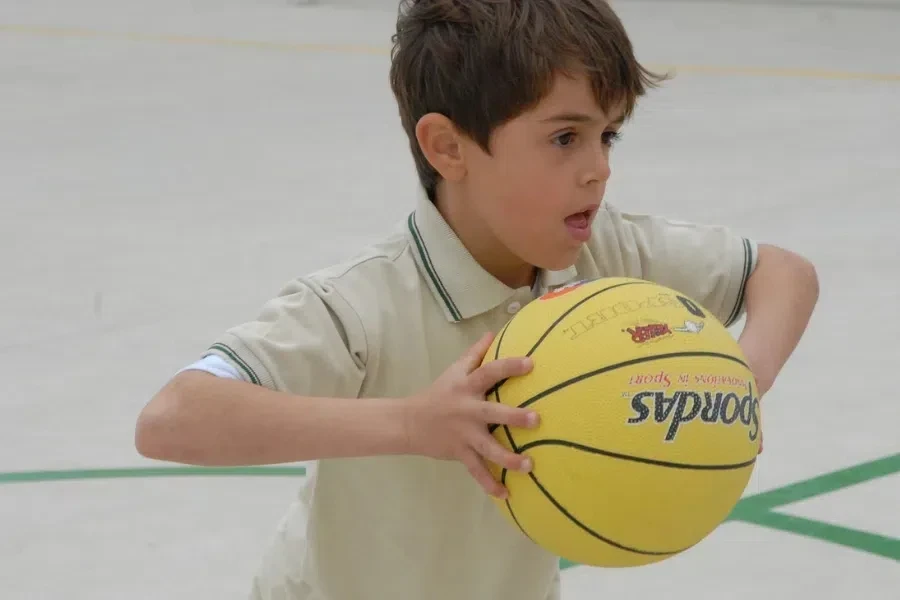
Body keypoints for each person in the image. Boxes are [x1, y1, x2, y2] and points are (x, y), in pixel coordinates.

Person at [134, 1, 819, 598]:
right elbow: (172, 419)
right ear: (448, 147)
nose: (599, 168)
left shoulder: (605, 256)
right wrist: (413, 424)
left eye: (607, 135)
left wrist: (739, 382)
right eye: (564, 137)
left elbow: (784, 274)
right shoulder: (363, 303)